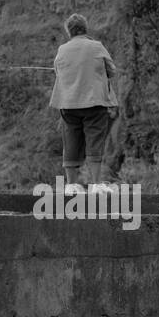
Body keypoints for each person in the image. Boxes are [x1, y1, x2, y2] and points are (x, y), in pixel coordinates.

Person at [49, 13, 117, 192]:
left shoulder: (62, 50)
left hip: (68, 104)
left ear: (69, 32)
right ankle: (95, 184)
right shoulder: (96, 46)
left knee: (70, 141)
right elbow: (112, 70)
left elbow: (57, 71)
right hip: (94, 102)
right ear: (85, 28)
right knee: (94, 140)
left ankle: (71, 186)